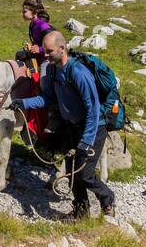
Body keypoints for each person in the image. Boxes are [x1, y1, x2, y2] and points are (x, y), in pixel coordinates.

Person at [13, 29, 116, 222]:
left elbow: (92, 109)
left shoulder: (78, 73)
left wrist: (86, 141)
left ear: (62, 48)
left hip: (93, 128)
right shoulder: (52, 69)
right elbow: (48, 98)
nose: (46, 54)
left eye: (49, 51)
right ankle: (81, 212)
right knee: (71, 170)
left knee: (84, 173)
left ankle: (107, 198)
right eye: (45, 50)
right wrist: (24, 103)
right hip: (71, 127)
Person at [16, 0, 52, 77]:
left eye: (25, 11)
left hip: (47, 59)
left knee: (44, 83)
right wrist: (32, 45)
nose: (22, 13)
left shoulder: (43, 26)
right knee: (19, 55)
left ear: (34, 12)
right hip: (38, 55)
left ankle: (37, 81)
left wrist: (40, 49)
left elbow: (53, 45)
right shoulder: (33, 24)